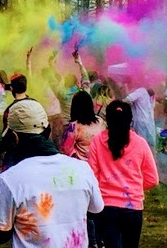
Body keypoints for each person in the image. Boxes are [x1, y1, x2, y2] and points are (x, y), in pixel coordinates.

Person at [0, 99, 104, 248]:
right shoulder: (82, 169)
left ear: (14, 137)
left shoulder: (9, 179)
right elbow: (96, 209)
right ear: (47, 130)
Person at [87, 100, 159, 248]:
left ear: (106, 119)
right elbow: (153, 179)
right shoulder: (140, 143)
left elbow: (92, 176)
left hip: (106, 207)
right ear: (131, 120)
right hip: (133, 207)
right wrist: (134, 187)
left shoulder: (97, 141)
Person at [62, 90, 105, 161]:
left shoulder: (73, 127)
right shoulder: (100, 121)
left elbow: (66, 150)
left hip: (82, 165)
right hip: (99, 162)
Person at [122, 83, 157, 150]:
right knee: (150, 145)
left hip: (141, 122)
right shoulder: (152, 94)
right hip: (150, 123)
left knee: (140, 144)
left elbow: (128, 99)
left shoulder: (141, 91)